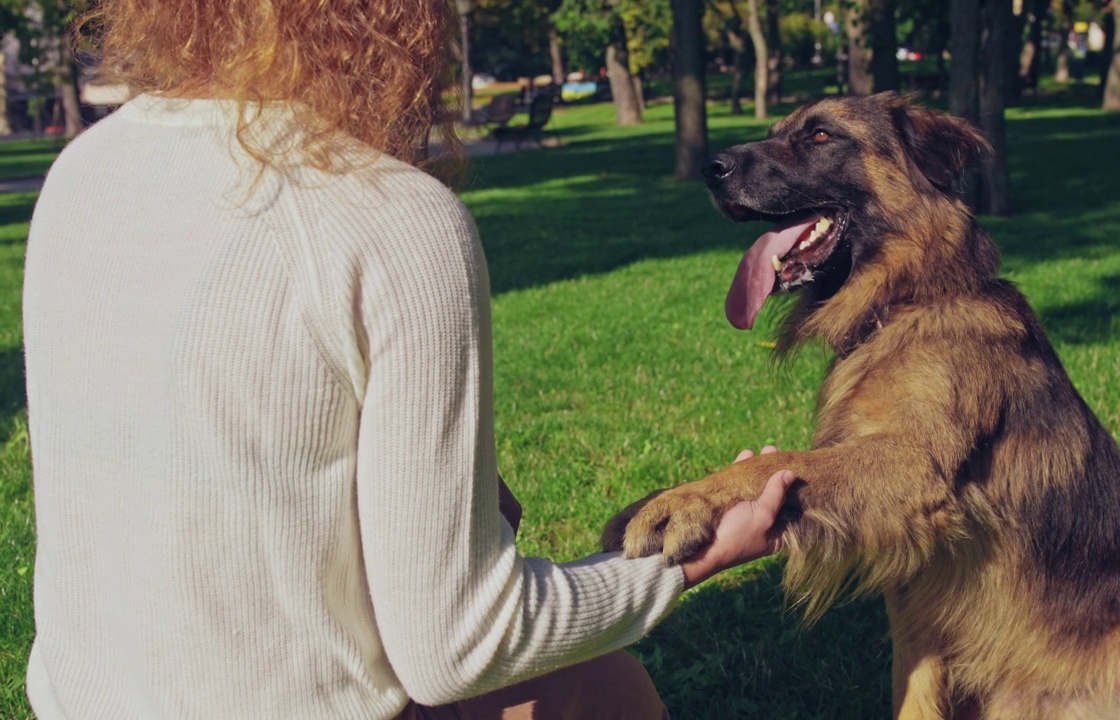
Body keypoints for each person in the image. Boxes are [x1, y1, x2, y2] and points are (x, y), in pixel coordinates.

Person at [22, 1, 795, 718]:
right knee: (608, 693)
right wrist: (683, 564)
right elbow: (456, 646)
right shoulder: (391, 216)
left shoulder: (81, 172)